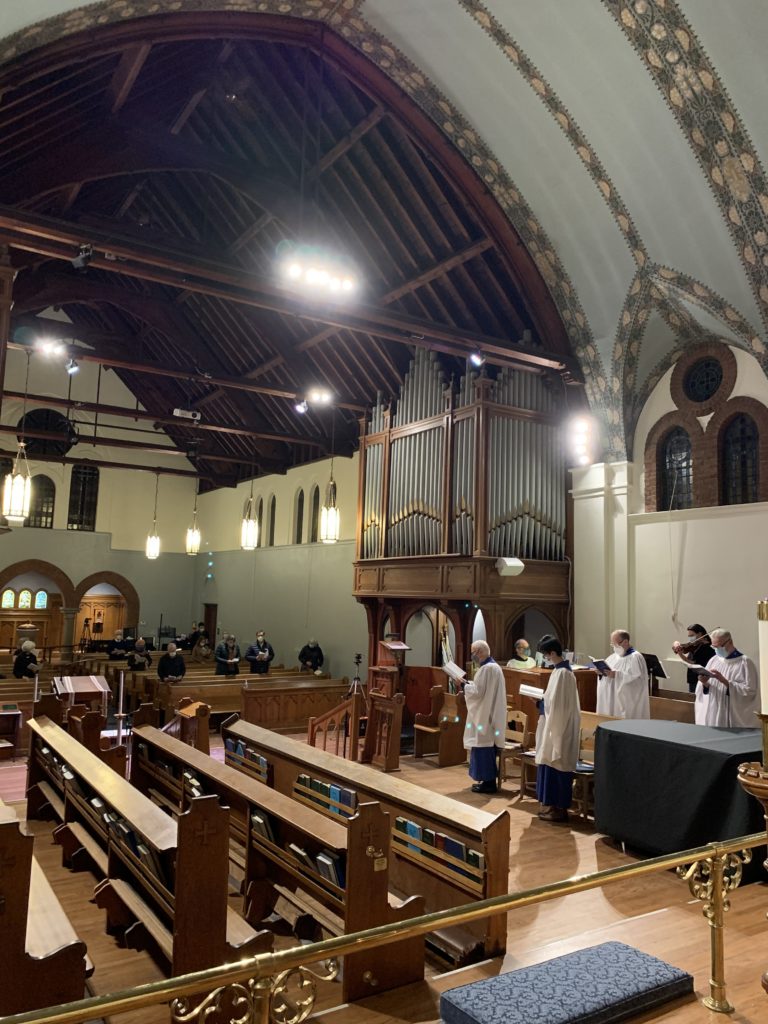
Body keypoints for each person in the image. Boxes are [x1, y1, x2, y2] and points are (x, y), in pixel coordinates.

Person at [535, 635, 580, 823]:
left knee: (558, 765)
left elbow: (559, 706)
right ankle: (551, 806)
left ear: (553, 653)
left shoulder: (563, 674)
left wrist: (540, 703)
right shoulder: (558, 671)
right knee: (550, 763)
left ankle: (559, 809)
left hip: (559, 727)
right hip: (553, 724)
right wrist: (542, 702)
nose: (545, 659)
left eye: (546, 655)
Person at [462, 639, 507, 794]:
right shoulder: (494, 667)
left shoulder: (487, 669)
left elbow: (478, 692)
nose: (472, 655)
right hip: (490, 712)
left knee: (483, 747)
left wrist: (463, 685)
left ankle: (488, 783)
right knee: (485, 747)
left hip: (485, 715)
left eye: (473, 652)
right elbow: (481, 689)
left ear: (480, 652)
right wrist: (468, 684)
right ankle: (486, 782)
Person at [696, 628, 759, 728]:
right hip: (714, 708)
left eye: (719, 646)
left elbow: (750, 692)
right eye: (714, 646)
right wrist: (704, 683)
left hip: (730, 713)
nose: (716, 649)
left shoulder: (745, 663)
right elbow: (704, 689)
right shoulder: (714, 660)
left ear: (729, 642)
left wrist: (725, 681)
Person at [595, 630, 649, 719]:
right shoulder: (613, 657)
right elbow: (608, 673)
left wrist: (616, 675)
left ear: (626, 642)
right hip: (612, 698)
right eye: (612, 644)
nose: (614, 647)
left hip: (628, 701)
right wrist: (601, 673)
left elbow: (637, 680)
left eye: (616, 644)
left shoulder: (636, 657)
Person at [672, 624, 715, 693]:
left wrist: (680, 654)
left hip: (700, 680)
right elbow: (676, 643)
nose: (690, 638)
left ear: (700, 634)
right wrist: (676, 644)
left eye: (692, 636)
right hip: (692, 679)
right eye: (689, 636)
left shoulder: (707, 648)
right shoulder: (694, 645)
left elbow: (693, 663)